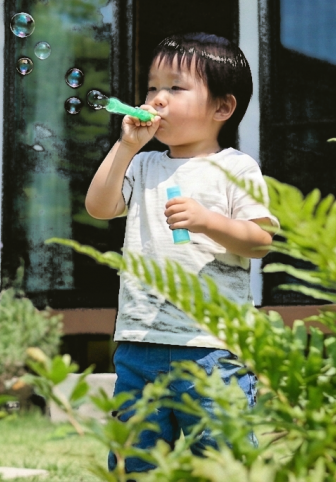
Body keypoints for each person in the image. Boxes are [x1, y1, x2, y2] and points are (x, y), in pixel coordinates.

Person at [84, 33, 274, 474]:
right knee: (135, 461)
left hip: (212, 349)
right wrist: (126, 146)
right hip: (140, 343)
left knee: (222, 461)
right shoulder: (143, 164)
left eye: (175, 87)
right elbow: (98, 207)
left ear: (222, 108)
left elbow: (259, 240)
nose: (157, 99)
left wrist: (208, 221)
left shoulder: (236, 168)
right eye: (152, 87)